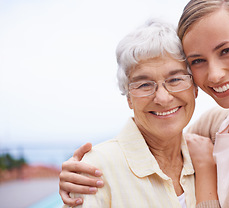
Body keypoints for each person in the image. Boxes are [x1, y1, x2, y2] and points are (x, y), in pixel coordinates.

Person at [60, 0, 229, 207]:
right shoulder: (217, 123)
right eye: (198, 60)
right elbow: (159, 143)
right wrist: (81, 171)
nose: (215, 74)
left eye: (227, 50)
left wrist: (207, 170)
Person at [60, 19, 212, 207]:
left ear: (195, 88)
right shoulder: (96, 168)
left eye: (175, 79)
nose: (163, 98)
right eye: (144, 84)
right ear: (129, 97)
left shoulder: (208, 155)